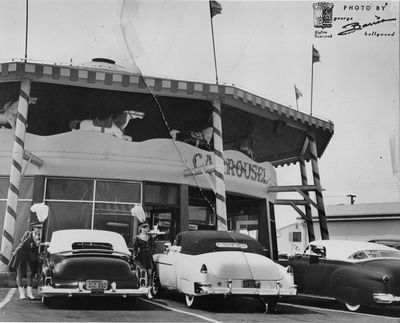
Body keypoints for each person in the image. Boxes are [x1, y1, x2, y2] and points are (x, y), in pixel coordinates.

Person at [15, 223, 41, 300]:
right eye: (37, 228)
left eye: (40, 228)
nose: (39, 230)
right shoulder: (28, 234)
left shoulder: (40, 237)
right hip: (21, 255)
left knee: (30, 274)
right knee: (19, 273)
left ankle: (30, 294)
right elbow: (22, 243)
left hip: (30, 257)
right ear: (33, 228)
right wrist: (34, 244)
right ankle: (22, 294)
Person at [132, 222, 155, 298]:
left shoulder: (150, 237)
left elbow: (153, 247)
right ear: (140, 228)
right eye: (144, 228)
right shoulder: (137, 238)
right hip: (141, 257)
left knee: (150, 274)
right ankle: (141, 289)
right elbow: (135, 248)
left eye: (147, 228)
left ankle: (149, 291)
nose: (145, 230)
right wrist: (134, 256)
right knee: (142, 273)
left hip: (149, 257)